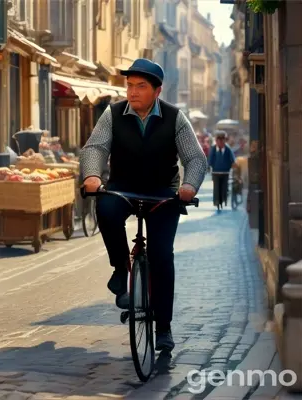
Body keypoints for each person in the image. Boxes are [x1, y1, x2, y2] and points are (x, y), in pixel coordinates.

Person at [79, 58, 207, 352]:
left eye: (141, 86)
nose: (132, 92)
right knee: (106, 210)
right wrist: (93, 175)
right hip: (123, 187)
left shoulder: (176, 118)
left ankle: (163, 327)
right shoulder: (112, 115)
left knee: (162, 256)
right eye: (130, 85)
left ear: (157, 91)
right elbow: (96, 147)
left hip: (163, 193)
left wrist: (189, 186)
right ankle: (120, 268)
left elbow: (195, 158)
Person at [209, 131, 237, 210]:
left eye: (223, 140)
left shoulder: (228, 149)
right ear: (216, 141)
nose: (221, 142)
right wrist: (209, 166)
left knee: (224, 187)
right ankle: (217, 202)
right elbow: (210, 160)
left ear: (225, 140)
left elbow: (232, 159)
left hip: (225, 172)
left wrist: (233, 165)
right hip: (215, 172)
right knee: (216, 188)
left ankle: (223, 199)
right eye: (219, 140)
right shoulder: (214, 149)